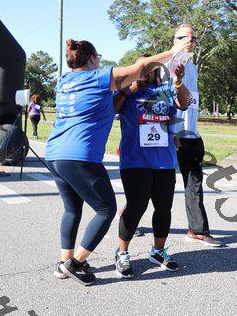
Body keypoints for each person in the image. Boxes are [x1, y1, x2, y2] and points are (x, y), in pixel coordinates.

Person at [46, 37, 183, 286]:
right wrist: (173, 52)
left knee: (72, 209)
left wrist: (137, 88)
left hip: (54, 153)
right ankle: (74, 263)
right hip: (80, 155)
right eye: (98, 57)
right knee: (106, 210)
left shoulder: (65, 80)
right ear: (92, 59)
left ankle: (63, 262)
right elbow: (140, 67)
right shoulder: (96, 77)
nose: (100, 61)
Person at [113, 54, 190, 278]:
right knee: (136, 207)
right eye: (143, 67)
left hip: (164, 162)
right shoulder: (127, 92)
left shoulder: (166, 90)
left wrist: (178, 83)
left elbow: (184, 103)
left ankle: (158, 251)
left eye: (152, 67)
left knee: (164, 208)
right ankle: (122, 253)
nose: (148, 71)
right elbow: (113, 108)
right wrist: (131, 88)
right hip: (135, 161)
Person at [170, 24, 222, 247]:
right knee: (153, 186)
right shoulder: (166, 65)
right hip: (171, 137)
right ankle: (128, 218)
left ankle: (197, 231)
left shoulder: (192, 67)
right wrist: (172, 133)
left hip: (192, 136)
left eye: (193, 38)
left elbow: (191, 102)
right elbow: (161, 100)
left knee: (194, 185)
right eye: (184, 37)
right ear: (175, 40)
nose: (190, 41)